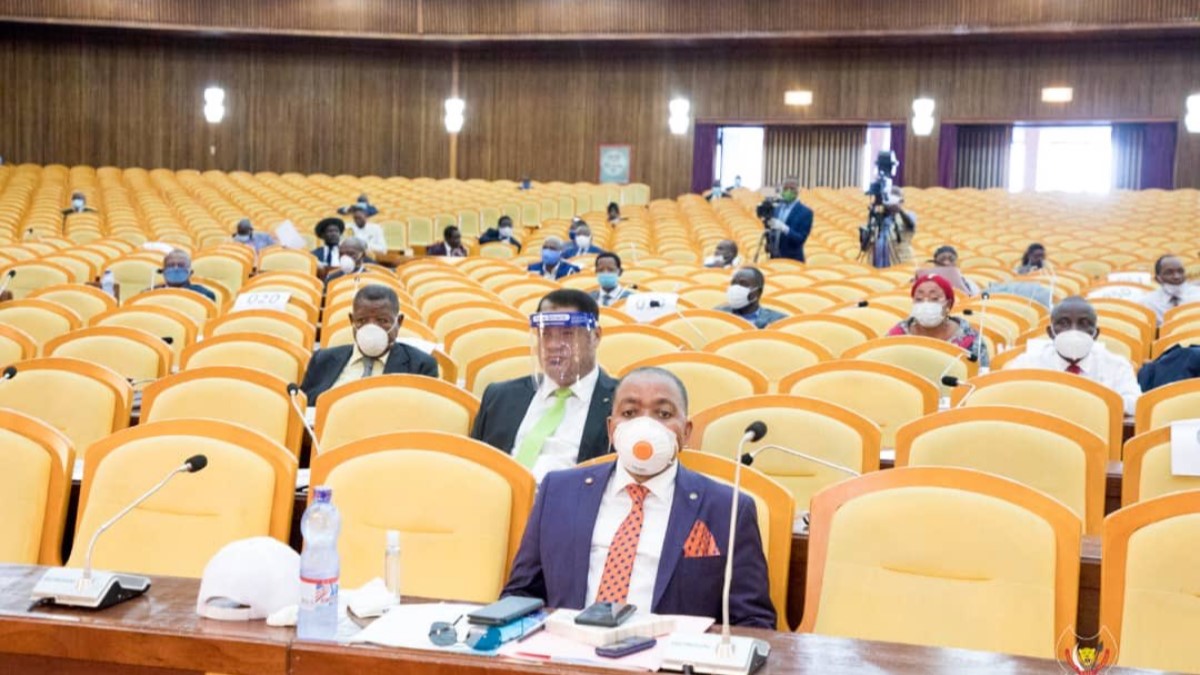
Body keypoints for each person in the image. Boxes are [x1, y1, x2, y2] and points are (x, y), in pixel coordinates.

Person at [501, 366, 776, 628]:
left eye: (664, 414)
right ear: (611, 429)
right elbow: (521, 595)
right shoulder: (558, 492)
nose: (646, 426)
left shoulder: (727, 509)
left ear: (686, 432)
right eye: (630, 413)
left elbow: (753, 622)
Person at [471, 289, 618, 481]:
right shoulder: (499, 396)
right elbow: (473, 467)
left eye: (567, 334)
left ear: (595, 336)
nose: (553, 345)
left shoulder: (622, 403)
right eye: (546, 335)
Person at [299, 284, 437, 404]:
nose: (371, 328)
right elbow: (303, 408)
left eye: (382, 321)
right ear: (351, 320)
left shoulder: (420, 366)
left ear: (399, 322)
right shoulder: (322, 360)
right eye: (362, 321)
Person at [1007, 296, 1141, 415]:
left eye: (1084, 323)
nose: (1074, 330)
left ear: (1096, 334)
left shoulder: (1116, 365)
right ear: (1050, 332)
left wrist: (1081, 403)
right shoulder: (1027, 363)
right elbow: (1008, 397)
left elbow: (1133, 403)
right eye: (1064, 323)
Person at [887, 274, 989, 367]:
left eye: (934, 298)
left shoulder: (969, 339)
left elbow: (980, 374)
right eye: (919, 299)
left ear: (948, 305)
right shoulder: (897, 336)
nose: (926, 304)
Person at [714, 266, 787, 329]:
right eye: (733, 284)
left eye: (743, 284)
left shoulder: (778, 321)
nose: (736, 288)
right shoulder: (717, 316)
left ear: (758, 292)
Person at [1141, 254, 1200, 325]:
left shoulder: (1197, 295)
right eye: (1169, 273)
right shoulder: (1147, 303)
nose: (1177, 277)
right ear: (1158, 279)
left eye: (1180, 271)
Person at [766, 177, 813, 262]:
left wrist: (784, 228)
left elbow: (800, 239)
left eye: (792, 188)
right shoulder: (777, 208)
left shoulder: (806, 212)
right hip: (774, 258)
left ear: (798, 190)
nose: (788, 191)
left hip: (792, 259)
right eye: (785, 188)